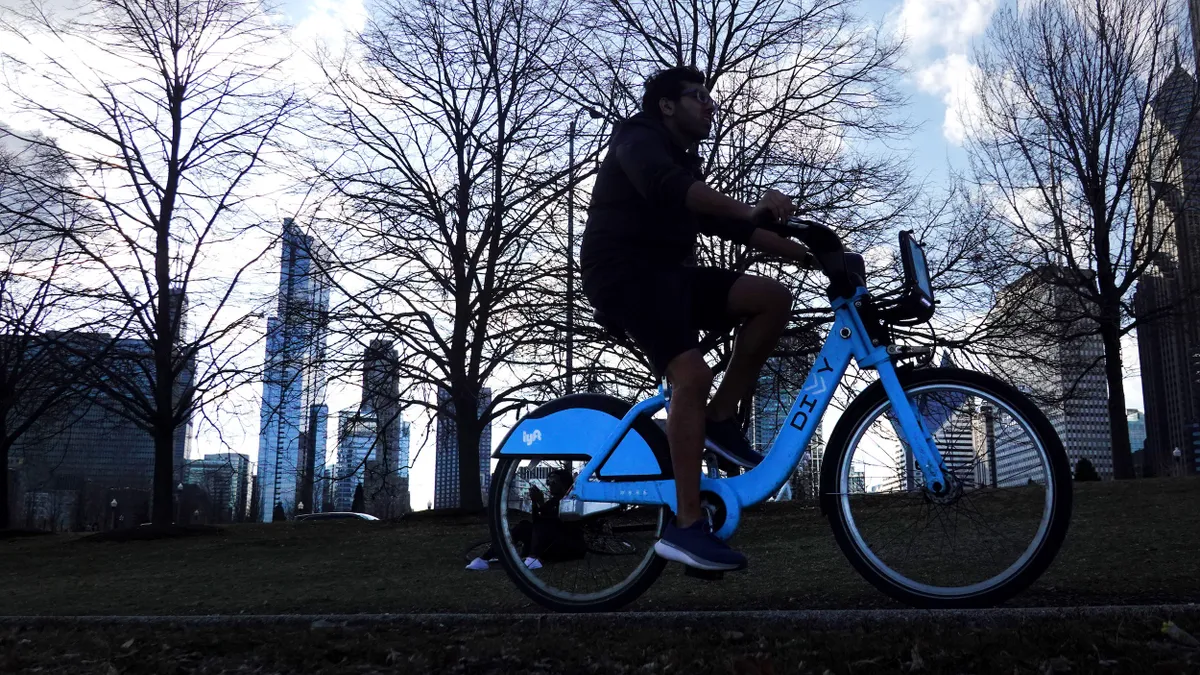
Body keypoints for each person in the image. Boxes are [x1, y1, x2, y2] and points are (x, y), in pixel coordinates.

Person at [580, 66, 819, 573]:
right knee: (690, 374)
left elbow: (736, 227)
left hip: (670, 275)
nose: (712, 105)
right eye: (699, 96)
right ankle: (688, 526)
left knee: (773, 299)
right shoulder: (637, 137)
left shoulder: (686, 166)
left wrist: (816, 257)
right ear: (667, 105)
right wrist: (750, 209)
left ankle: (719, 417)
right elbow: (663, 186)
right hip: (623, 275)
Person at [466, 468, 586, 571]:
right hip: (551, 544)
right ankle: (485, 558)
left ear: (564, 484)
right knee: (524, 525)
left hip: (567, 546)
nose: (550, 484)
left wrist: (540, 503)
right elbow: (537, 522)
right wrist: (536, 503)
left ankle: (533, 558)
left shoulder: (571, 500)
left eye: (554, 481)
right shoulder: (552, 501)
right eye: (548, 481)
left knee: (542, 525)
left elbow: (554, 522)